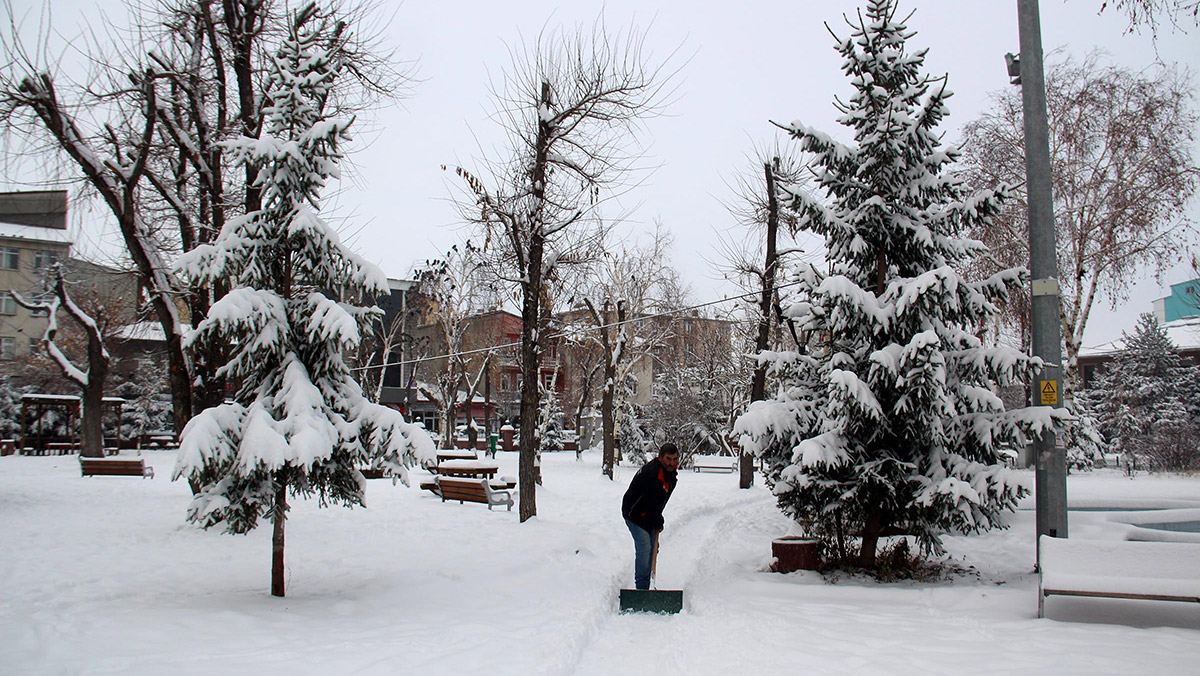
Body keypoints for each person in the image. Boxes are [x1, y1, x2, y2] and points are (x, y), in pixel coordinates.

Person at [621, 443, 679, 590]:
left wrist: (657, 519)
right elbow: (649, 501)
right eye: (668, 459)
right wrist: (657, 519)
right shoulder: (652, 473)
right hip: (634, 513)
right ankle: (641, 587)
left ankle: (647, 584)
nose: (671, 462)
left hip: (649, 513)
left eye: (674, 459)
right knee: (645, 547)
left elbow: (658, 501)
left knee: (653, 548)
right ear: (660, 458)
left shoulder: (671, 475)